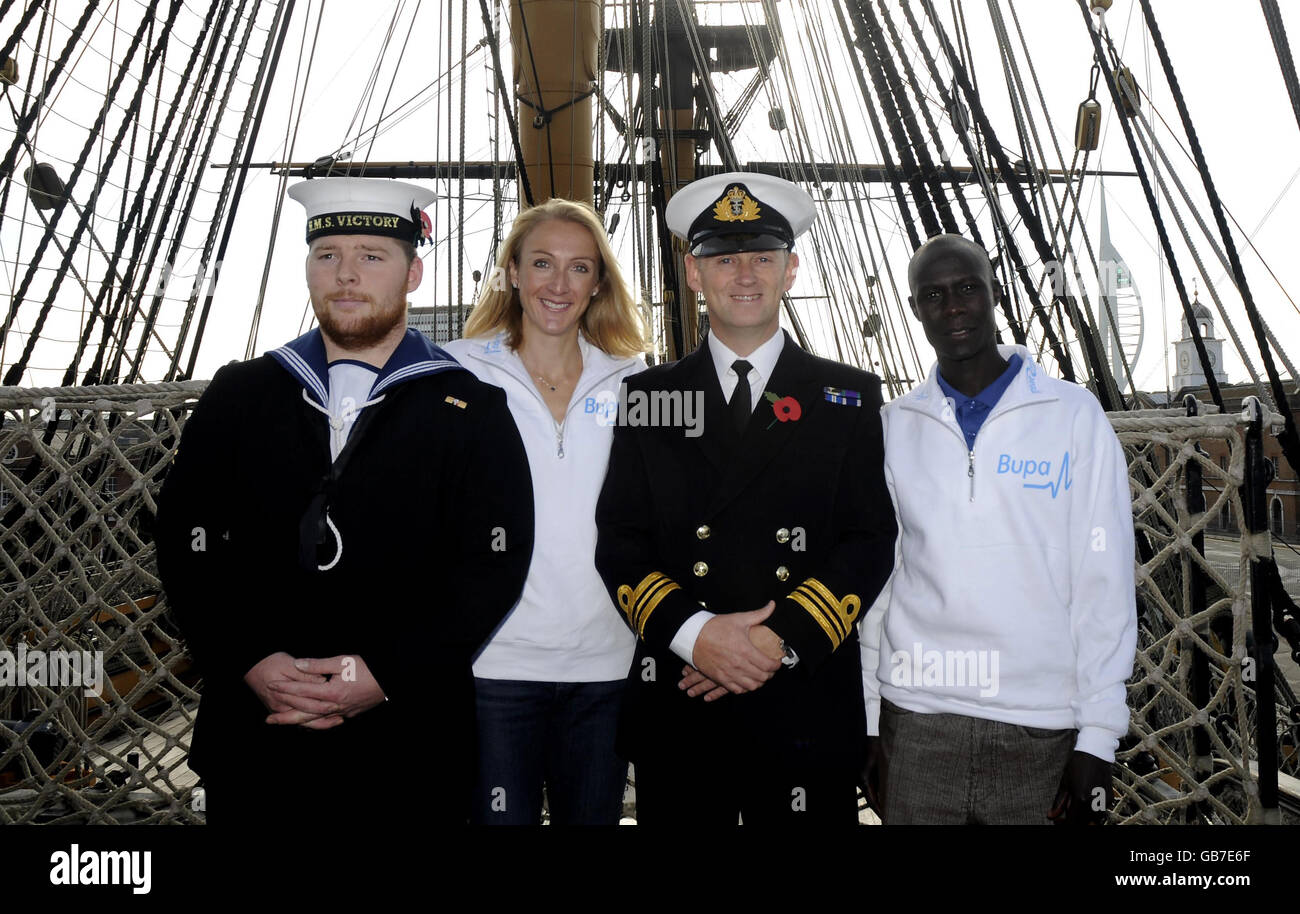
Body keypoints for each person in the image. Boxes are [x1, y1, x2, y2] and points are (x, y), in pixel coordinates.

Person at [155, 177, 534, 827]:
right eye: (328, 254)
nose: (347, 275)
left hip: (408, 744)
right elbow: (186, 546)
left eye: (372, 256)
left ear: (413, 273)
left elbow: (492, 566)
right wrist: (250, 661)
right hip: (258, 738)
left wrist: (386, 672)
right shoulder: (239, 396)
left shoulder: (471, 409)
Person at [594, 172, 897, 824]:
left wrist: (773, 643)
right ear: (694, 273)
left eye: (763, 256)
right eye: (724, 259)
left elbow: (869, 540)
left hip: (802, 699)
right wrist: (695, 636)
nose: (745, 274)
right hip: (682, 699)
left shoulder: (847, 397)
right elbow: (620, 541)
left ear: (791, 271)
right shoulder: (649, 398)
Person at [860, 233, 1137, 824]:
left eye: (967, 288)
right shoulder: (893, 426)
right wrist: (867, 720)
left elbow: (1103, 580)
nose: (953, 306)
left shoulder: (1071, 416)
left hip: (1039, 723)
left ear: (994, 293)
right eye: (934, 295)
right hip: (917, 719)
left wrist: (1099, 735)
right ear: (916, 310)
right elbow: (878, 587)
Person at [442, 199, 647, 825]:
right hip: (492, 663)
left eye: (579, 268)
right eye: (542, 264)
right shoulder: (455, 373)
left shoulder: (636, 382)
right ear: (511, 271)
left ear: (598, 284)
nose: (559, 285)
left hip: (606, 663)